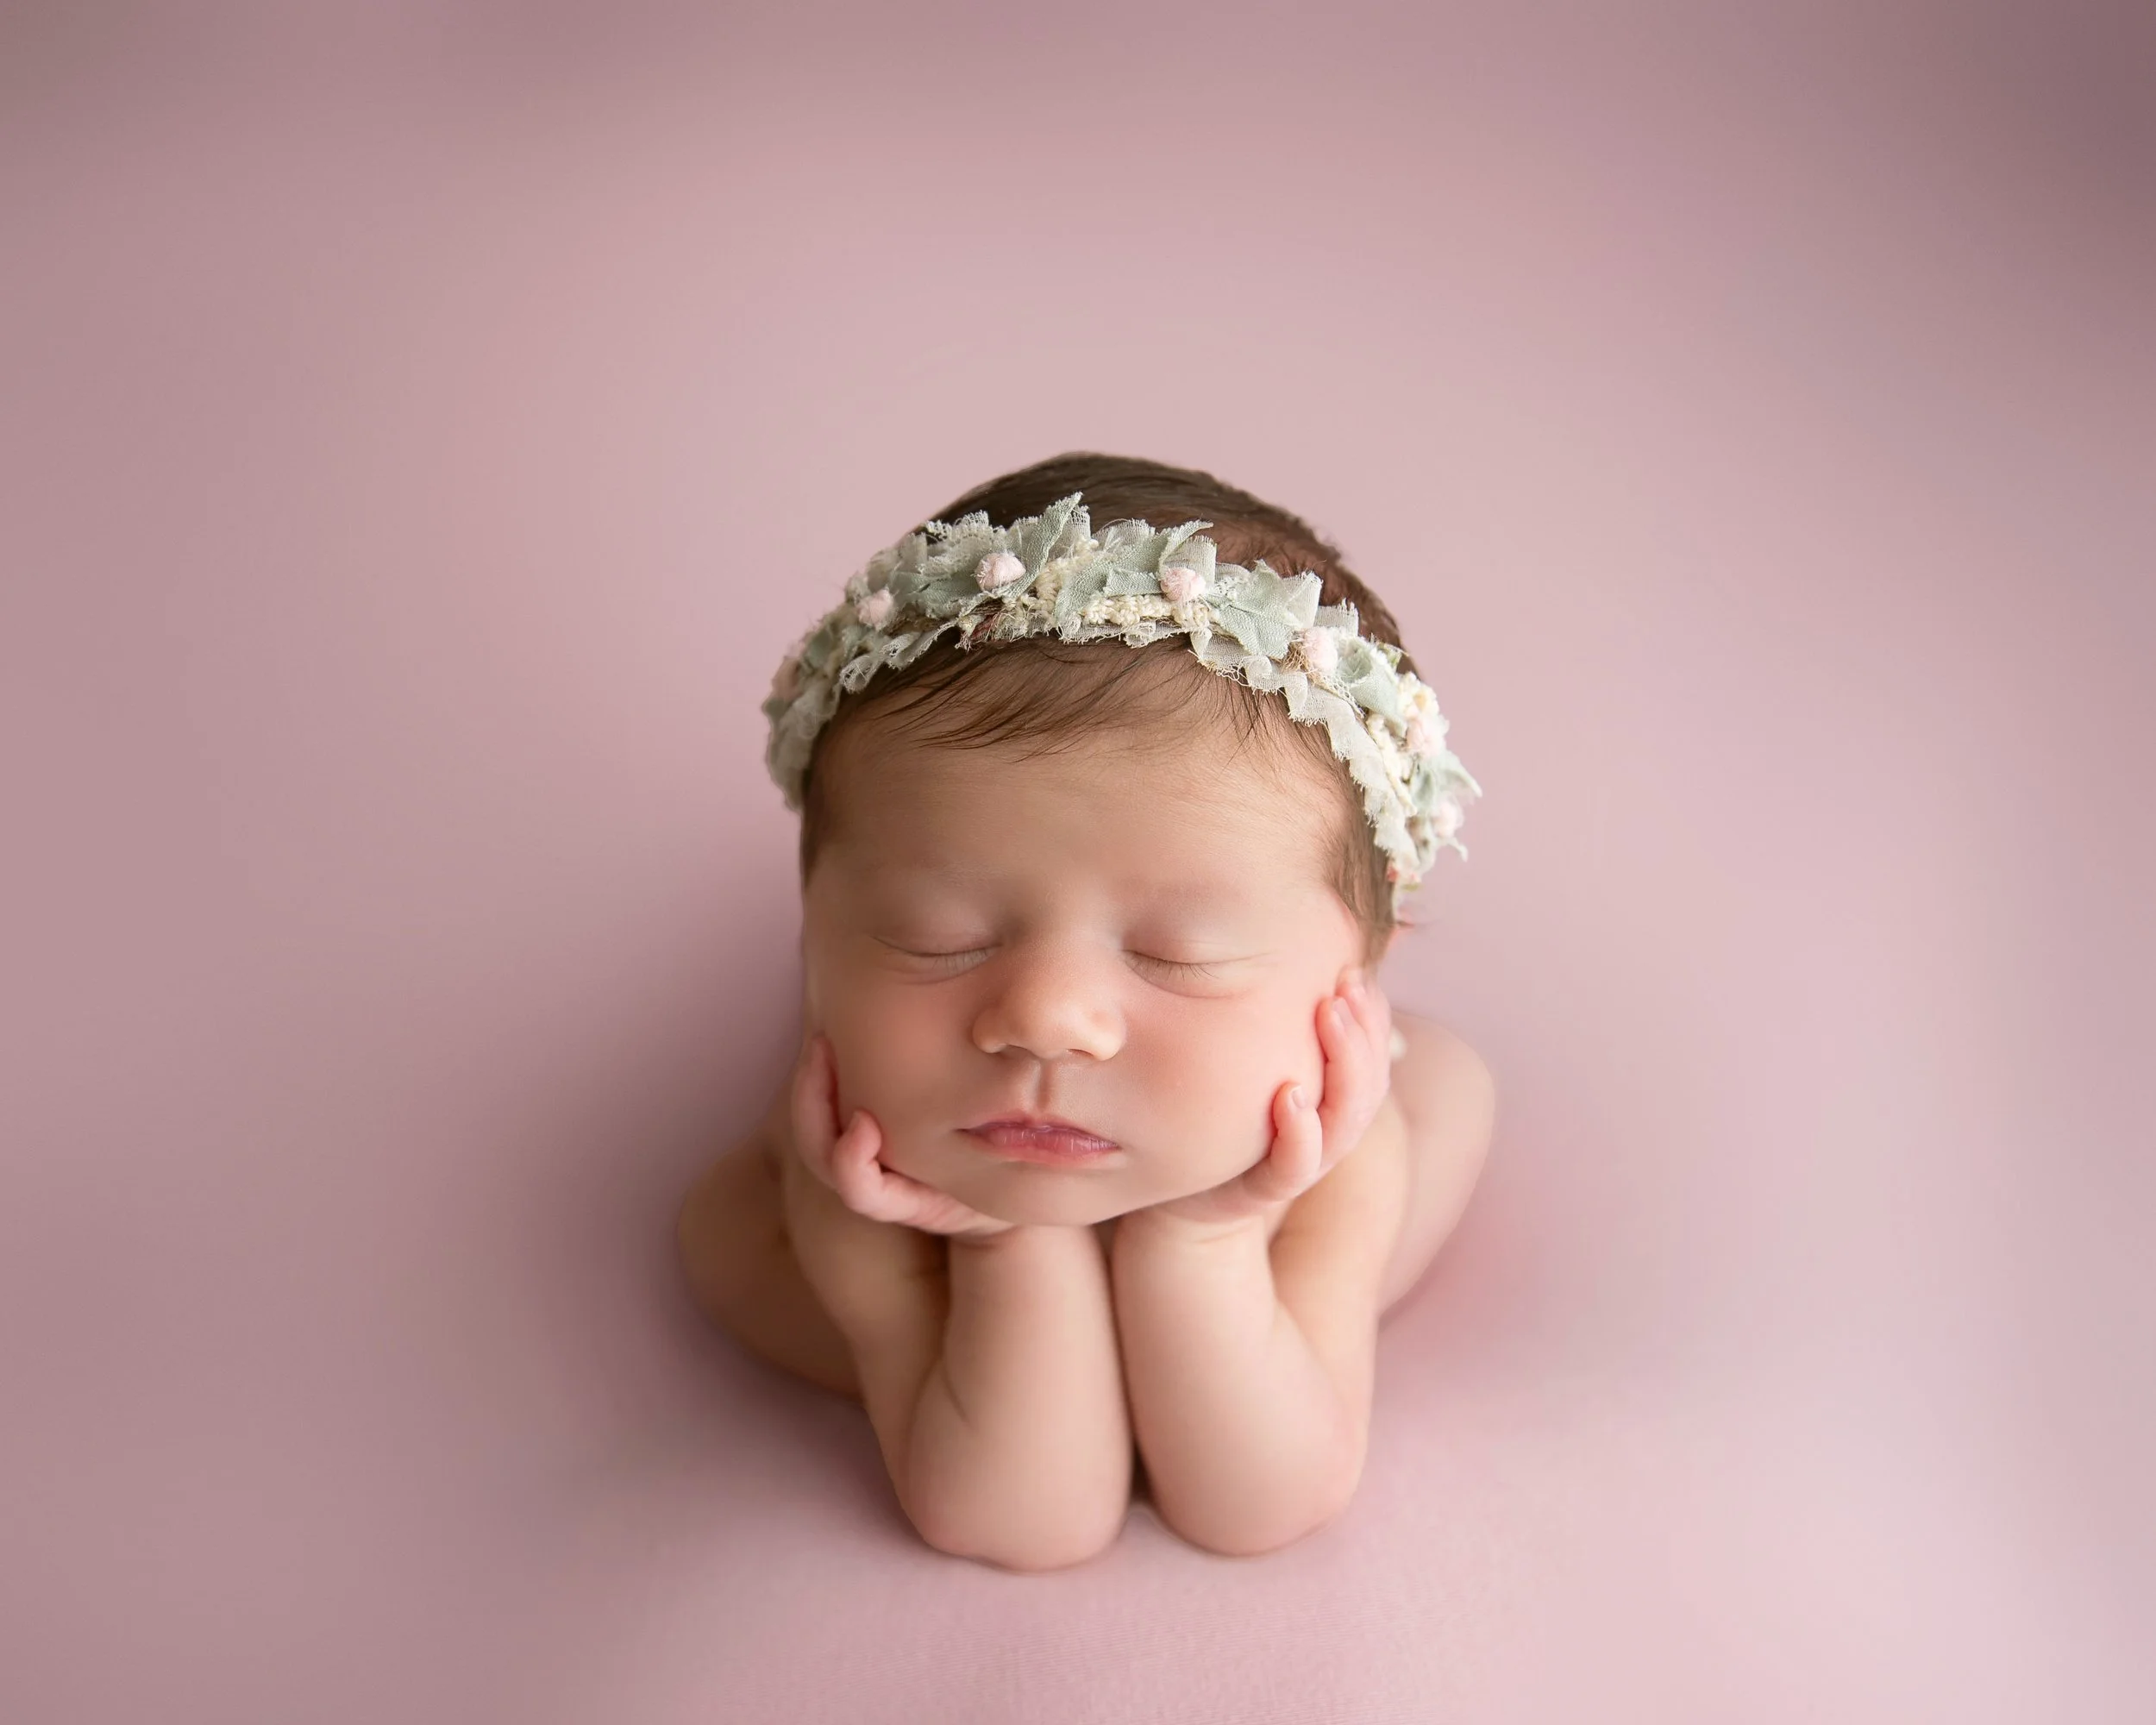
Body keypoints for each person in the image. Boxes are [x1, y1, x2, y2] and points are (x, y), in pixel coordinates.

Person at [677, 452, 1498, 1571]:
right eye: (935, 935)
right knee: (723, 1238)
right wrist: (1003, 1237)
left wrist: (1205, 1235)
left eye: (1177, 954)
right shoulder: (856, 1178)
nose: (1046, 1017)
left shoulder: (1340, 1160)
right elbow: (1026, 1518)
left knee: (1447, 1088)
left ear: (1360, 970)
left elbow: (1257, 1504)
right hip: (905, 1219)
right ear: (809, 929)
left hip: (1265, 1178)